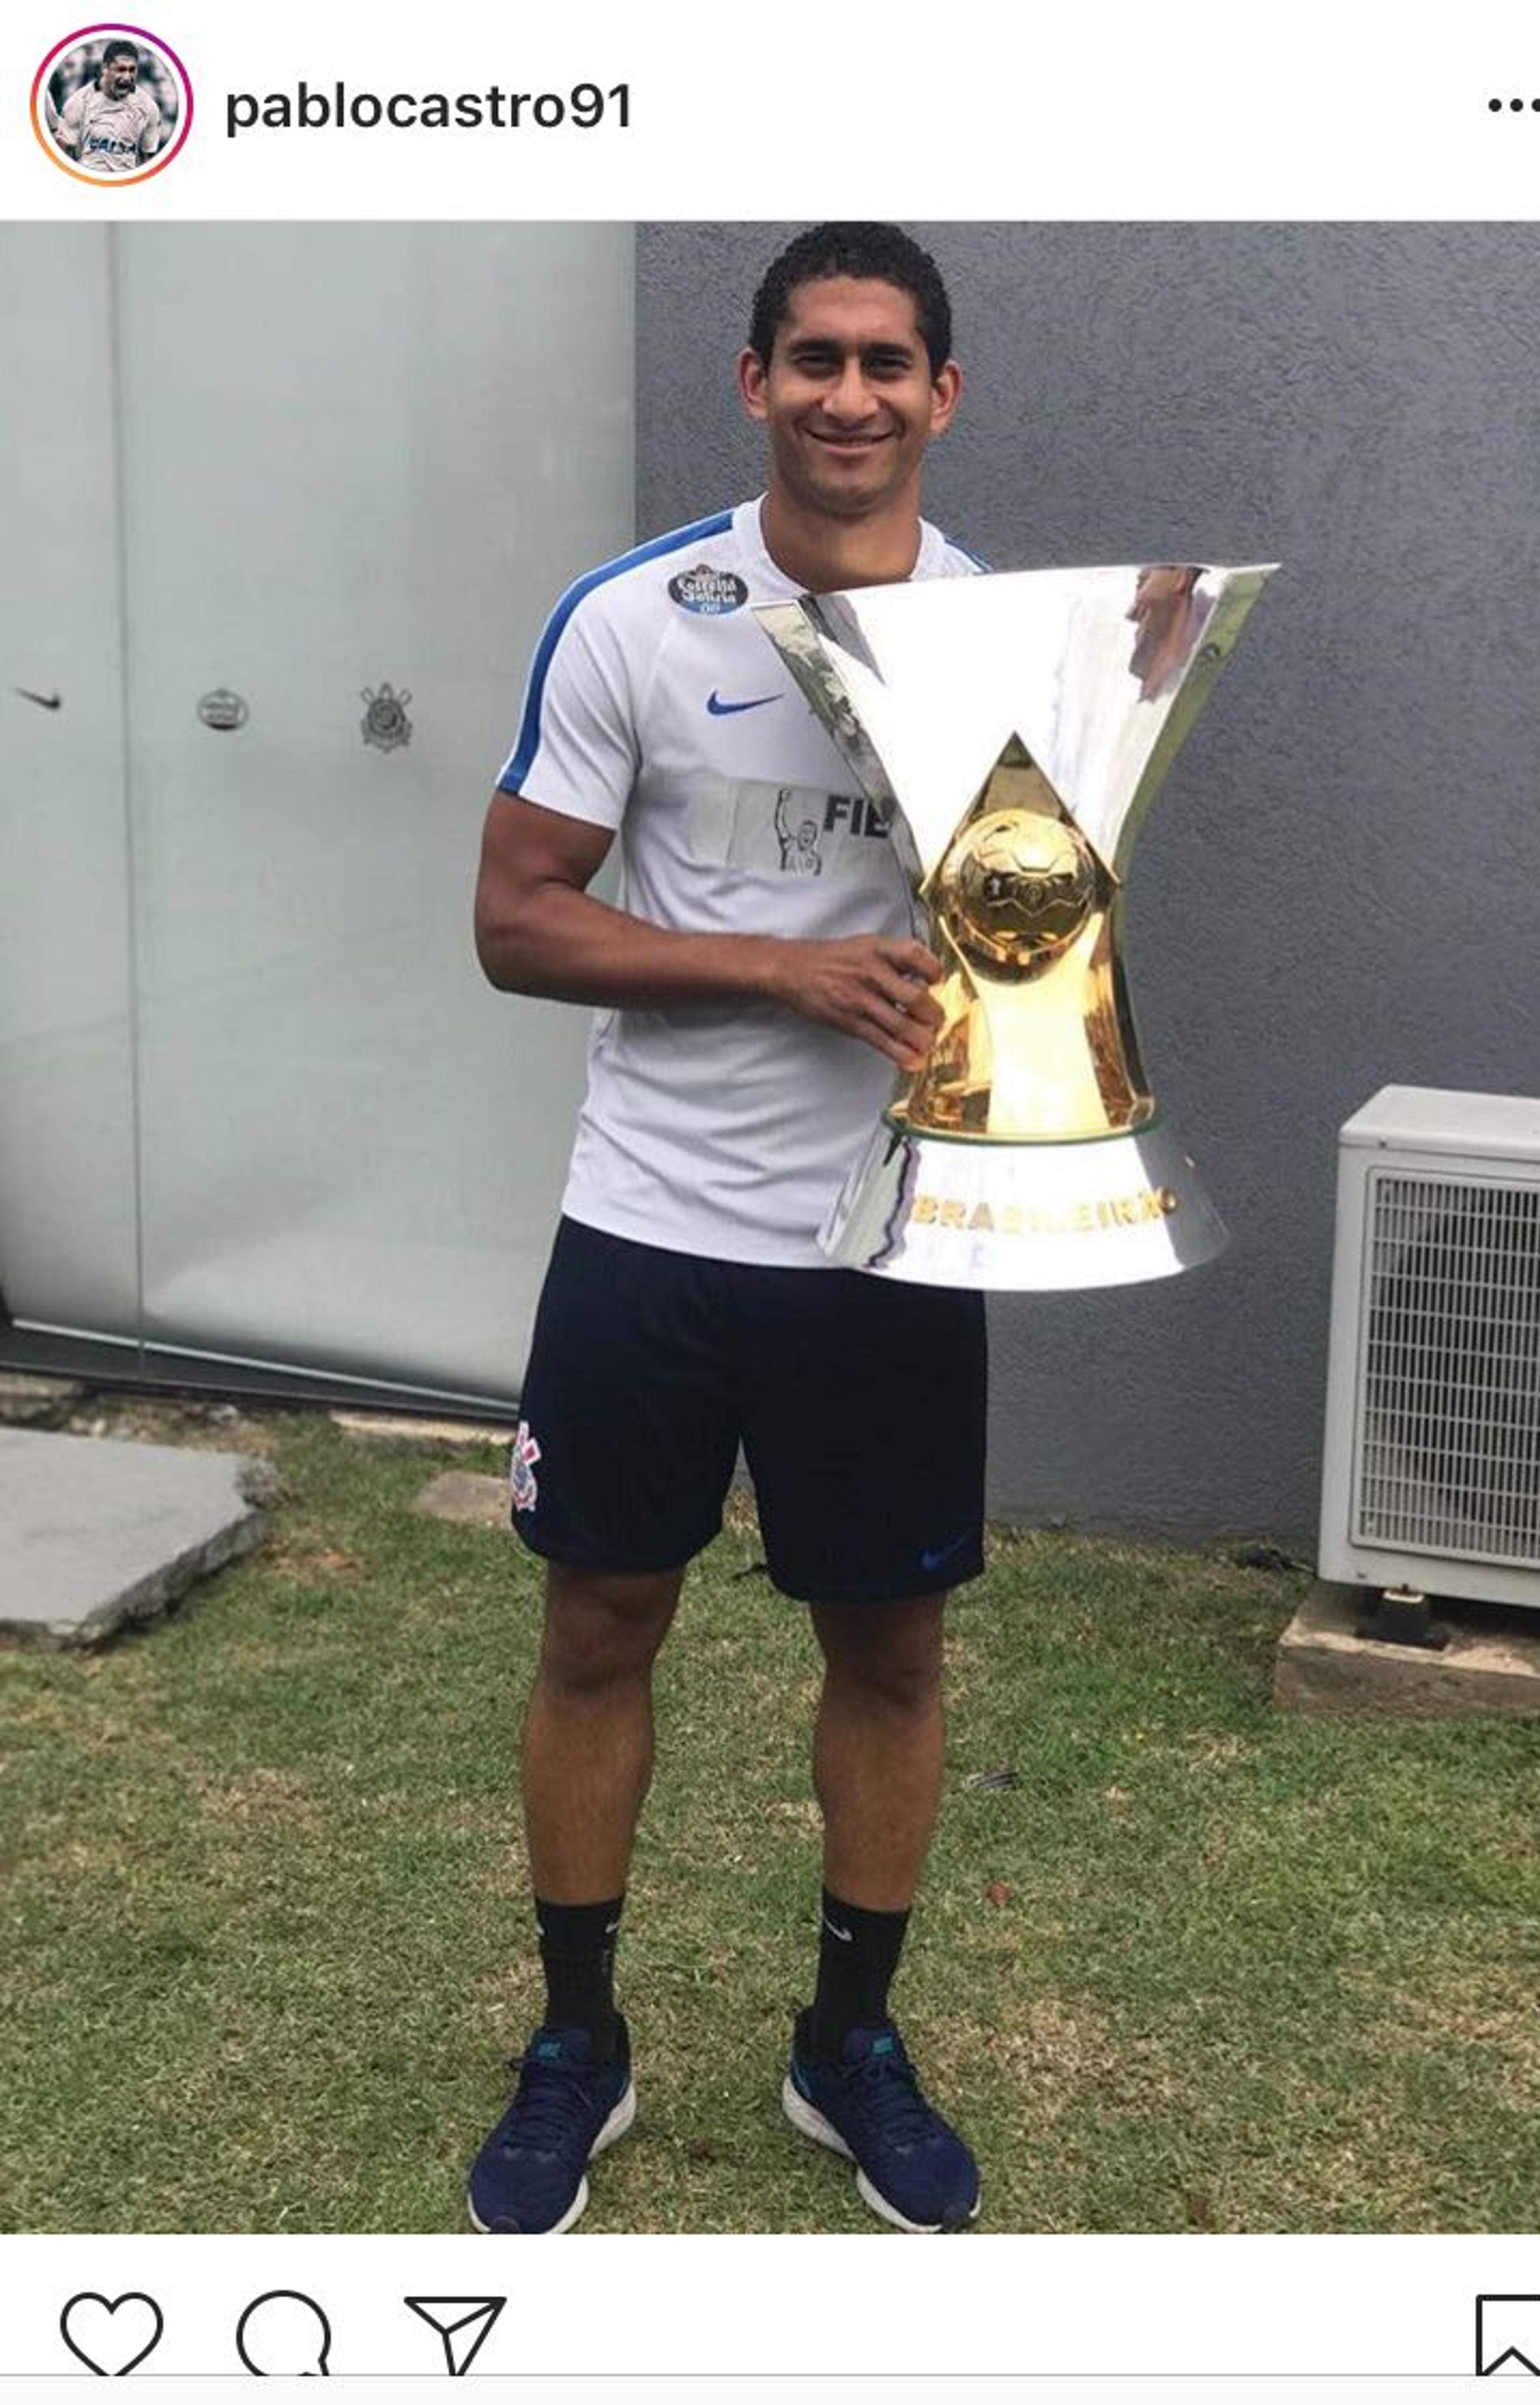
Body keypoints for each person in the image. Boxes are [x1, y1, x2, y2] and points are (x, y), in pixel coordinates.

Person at [469, 222, 989, 2235]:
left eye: (887, 362)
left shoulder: (1011, 641)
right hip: (655, 1224)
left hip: (891, 1232)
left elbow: (1052, 913)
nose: (848, 395)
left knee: (890, 1638)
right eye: (813, 359)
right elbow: (519, 921)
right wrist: (780, 973)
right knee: (600, 1622)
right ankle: (577, 2038)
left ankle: (847, 2039)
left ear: (944, 395)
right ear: (756, 382)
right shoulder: (634, 619)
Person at [51, 40, 164, 176]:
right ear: (105, 68)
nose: (127, 77)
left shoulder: (148, 107)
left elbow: (150, 161)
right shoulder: (79, 102)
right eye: (121, 70)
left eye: (132, 70)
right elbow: (63, 156)